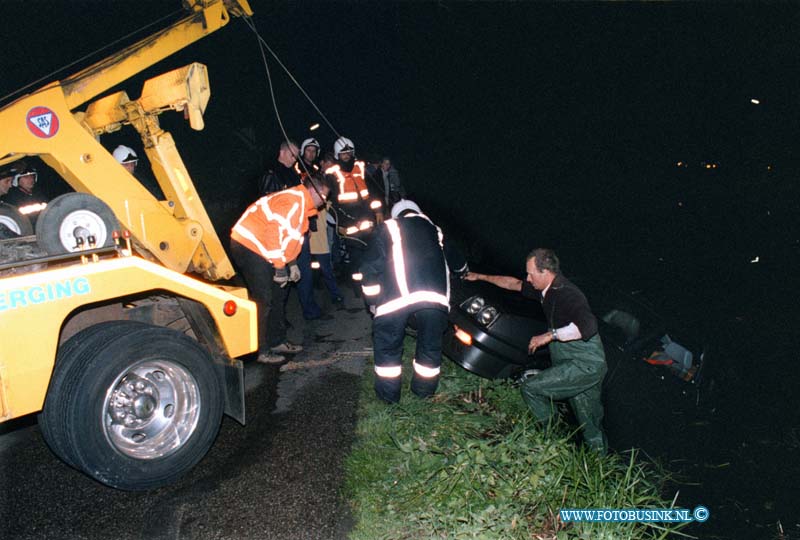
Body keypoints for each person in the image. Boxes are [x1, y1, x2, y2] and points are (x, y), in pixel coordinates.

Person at [464, 249, 608, 453]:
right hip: (575, 362)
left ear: (546, 272)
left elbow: (588, 326)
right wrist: (480, 276)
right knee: (589, 422)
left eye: (531, 273)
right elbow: (513, 284)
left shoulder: (567, 293)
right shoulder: (544, 289)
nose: (528, 278)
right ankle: (588, 458)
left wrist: (550, 335)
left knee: (531, 388)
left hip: (586, 364)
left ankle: (552, 440)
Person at [360, 199, 467, 403]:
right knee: (430, 347)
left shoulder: (388, 227)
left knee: (388, 348)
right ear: (418, 212)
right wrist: (463, 272)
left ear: (396, 216)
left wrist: (373, 302)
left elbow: (369, 268)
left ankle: (388, 399)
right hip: (434, 299)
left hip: (394, 300)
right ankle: (423, 394)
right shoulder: (436, 230)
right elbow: (458, 262)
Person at [230, 176, 329, 363]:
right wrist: (280, 268)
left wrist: (292, 265)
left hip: (264, 248)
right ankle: (261, 350)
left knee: (279, 294)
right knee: (264, 298)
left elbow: (291, 240)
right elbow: (273, 233)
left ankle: (277, 341)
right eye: (323, 196)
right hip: (248, 245)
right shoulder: (292, 201)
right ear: (314, 191)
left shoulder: (303, 210)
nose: (324, 201)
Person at [325, 137, 383, 286]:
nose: (347, 155)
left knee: (372, 253)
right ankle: (358, 287)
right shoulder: (331, 174)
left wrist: (378, 211)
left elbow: (372, 193)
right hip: (348, 224)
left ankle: (373, 281)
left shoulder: (361, 168)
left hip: (367, 220)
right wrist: (340, 224)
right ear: (338, 155)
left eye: (349, 152)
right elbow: (331, 204)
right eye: (344, 153)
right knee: (355, 258)